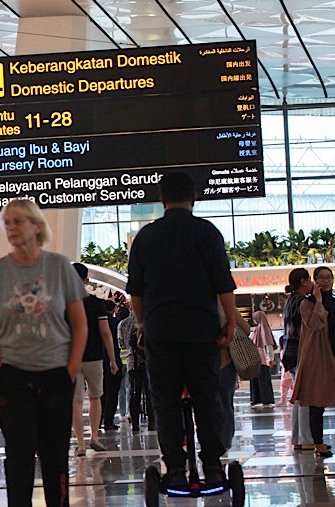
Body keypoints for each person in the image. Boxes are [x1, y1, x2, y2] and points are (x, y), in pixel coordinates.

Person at [0, 199, 87, 507]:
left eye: (18, 221)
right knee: (20, 453)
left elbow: (80, 323)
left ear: (37, 226)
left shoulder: (60, 266)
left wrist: (70, 369)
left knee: (54, 455)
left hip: (55, 373)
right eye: (6, 222)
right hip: (12, 375)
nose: (10, 228)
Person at [126, 172, 236, 488]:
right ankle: (213, 466)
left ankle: (174, 468)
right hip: (202, 331)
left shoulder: (146, 237)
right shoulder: (207, 233)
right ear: (194, 198)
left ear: (161, 200)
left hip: (161, 333)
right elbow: (223, 285)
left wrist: (143, 325)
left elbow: (136, 290)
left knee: (165, 400)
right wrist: (228, 323)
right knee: (207, 397)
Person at [70, 263, 118, 456]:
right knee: (96, 396)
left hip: (72, 359)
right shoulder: (96, 303)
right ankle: (95, 438)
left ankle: (81, 444)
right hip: (94, 357)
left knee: (76, 401)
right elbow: (105, 333)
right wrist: (113, 360)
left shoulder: (64, 305)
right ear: (87, 280)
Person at [291, 266, 335, 458]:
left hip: (333, 352)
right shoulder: (306, 303)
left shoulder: (334, 301)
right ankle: (318, 443)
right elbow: (316, 324)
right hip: (319, 356)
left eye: (329, 277)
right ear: (315, 281)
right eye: (322, 278)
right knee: (317, 402)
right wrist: (318, 300)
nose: (326, 281)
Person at [281, 268, 314, 452]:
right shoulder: (302, 302)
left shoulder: (291, 300)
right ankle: (306, 438)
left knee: (299, 396)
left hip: (290, 353)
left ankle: (298, 438)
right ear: (303, 281)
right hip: (300, 353)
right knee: (305, 396)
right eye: (309, 281)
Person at [217, 299, 250, 450]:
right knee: (226, 403)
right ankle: (224, 442)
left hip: (199, 362)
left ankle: (211, 440)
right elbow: (246, 328)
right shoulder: (226, 306)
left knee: (206, 403)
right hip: (225, 361)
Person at [120, 310, 153, 433]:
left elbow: (121, 344)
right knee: (149, 392)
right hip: (147, 361)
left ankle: (135, 423)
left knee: (134, 392)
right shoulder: (147, 322)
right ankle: (152, 421)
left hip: (131, 363)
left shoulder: (123, 324)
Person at [101, 302, 126, 431]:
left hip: (99, 360)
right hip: (114, 359)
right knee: (112, 392)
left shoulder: (97, 323)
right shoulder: (116, 322)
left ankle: (98, 419)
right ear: (113, 309)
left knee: (100, 392)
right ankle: (109, 421)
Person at [249, 310, 276, 406]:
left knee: (263, 379)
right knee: (257, 379)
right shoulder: (257, 329)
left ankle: (265, 399)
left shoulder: (263, 329)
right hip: (255, 359)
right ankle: (258, 399)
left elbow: (268, 345)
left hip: (262, 359)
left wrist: (270, 358)